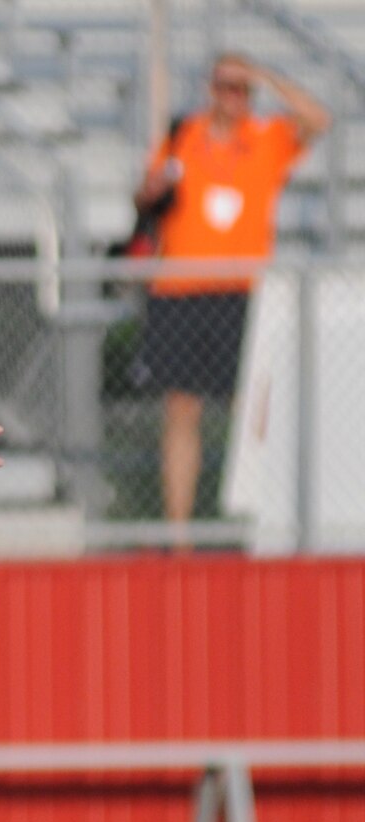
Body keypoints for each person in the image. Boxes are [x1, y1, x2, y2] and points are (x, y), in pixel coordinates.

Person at [133, 52, 327, 537]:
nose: (233, 97)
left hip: (241, 292)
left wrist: (265, 73)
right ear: (210, 88)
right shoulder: (184, 137)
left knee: (253, 411)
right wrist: (153, 188)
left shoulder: (266, 140)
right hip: (180, 289)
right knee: (181, 410)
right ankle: (179, 535)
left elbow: (318, 119)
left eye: (242, 88)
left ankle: (259, 523)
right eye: (225, 86)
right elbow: (147, 195)